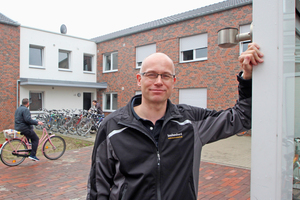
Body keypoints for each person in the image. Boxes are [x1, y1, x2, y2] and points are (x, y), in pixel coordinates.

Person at [86, 43, 264, 200]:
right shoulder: (112, 126)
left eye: (165, 76)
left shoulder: (190, 121)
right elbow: (97, 187)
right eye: (151, 75)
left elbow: (241, 117)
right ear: (139, 80)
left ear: (173, 82)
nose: (158, 82)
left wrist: (247, 78)